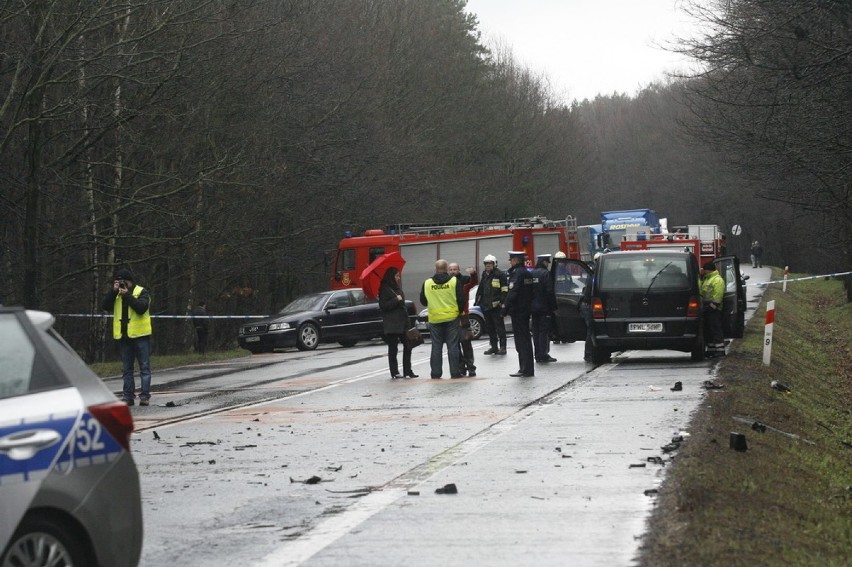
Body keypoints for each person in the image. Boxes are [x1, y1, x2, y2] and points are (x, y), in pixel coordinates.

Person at [101, 268, 153, 406]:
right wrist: (113, 291)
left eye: (123, 282)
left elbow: (142, 308)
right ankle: (128, 396)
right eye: (118, 282)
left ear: (130, 282)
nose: (121, 285)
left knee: (144, 367)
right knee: (126, 369)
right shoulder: (116, 294)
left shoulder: (141, 292)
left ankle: (144, 396)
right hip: (124, 337)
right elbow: (105, 305)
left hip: (141, 336)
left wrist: (128, 295)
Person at [420, 259, 465, 379]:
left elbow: (423, 301)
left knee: (436, 346)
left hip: (435, 320)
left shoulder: (427, 283)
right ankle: (455, 372)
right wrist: (458, 313)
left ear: (435, 269)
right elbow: (461, 300)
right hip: (451, 318)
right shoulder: (454, 281)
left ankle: (435, 373)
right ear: (446, 269)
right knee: (453, 346)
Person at [379, 267, 416, 379]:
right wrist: (396, 300)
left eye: (399, 276)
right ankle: (394, 372)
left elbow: (403, 305)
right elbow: (384, 306)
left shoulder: (396, 288)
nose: (398, 278)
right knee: (393, 348)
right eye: (396, 276)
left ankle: (407, 370)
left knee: (408, 345)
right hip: (392, 323)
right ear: (391, 277)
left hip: (403, 321)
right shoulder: (384, 289)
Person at [503, 251, 534, 377]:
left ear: (516, 260)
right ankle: (527, 368)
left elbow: (513, 291)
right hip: (525, 309)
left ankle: (524, 369)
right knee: (525, 339)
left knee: (521, 341)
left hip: (518, 311)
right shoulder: (527, 273)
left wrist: (505, 308)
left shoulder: (517, 273)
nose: (510, 262)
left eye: (511, 260)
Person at [474, 254, 508, 355]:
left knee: (500, 327)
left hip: (496, 306)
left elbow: (505, 290)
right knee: (490, 327)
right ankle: (494, 347)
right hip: (486, 306)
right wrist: (478, 301)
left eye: (490, 263)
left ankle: (503, 347)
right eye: (486, 264)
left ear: (494, 264)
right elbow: (481, 289)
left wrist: (501, 303)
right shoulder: (485, 275)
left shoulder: (500, 275)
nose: (488, 265)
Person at [448, 262, 478, 377]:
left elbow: (474, 282)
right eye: (450, 269)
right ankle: (461, 367)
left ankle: (471, 367)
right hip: (451, 316)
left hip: (463, 315)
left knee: (466, 342)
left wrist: (473, 274)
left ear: (458, 270)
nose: (452, 271)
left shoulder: (464, 281)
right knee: (455, 344)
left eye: (454, 269)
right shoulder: (447, 282)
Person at [530, 254, 557, 363]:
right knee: (544, 332)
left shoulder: (531, 274)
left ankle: (537, 354)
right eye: (547, 262)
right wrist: (554, 306)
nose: (547, 265)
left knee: (536, 333)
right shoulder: (546, 274)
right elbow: (549, 292)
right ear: (544, 262)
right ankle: (543, 354)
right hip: (544, 308)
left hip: (533, 309)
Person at [700, 261, 725, 357]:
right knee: (708, 330)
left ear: (707, 270)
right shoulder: (707, 279)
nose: (703, 271)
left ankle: (720, 350)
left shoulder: (717, 280)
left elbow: (718, 296)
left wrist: (712, 307)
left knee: (715, 329)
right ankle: (711, 349)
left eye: (704, 270)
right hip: (707, 308)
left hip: (714, 309)